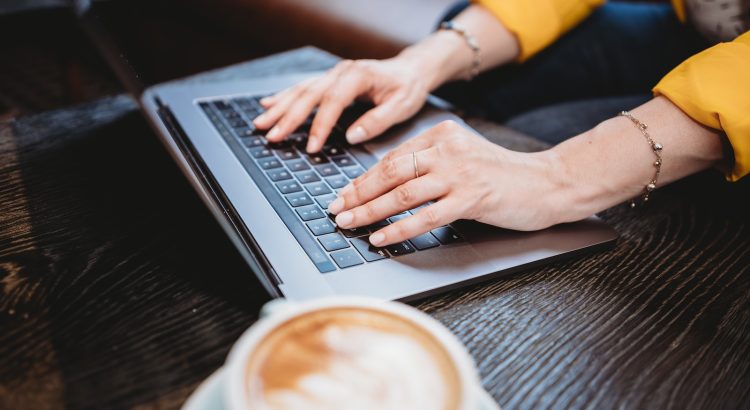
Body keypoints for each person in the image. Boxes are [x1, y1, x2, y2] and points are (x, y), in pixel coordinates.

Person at [252, 0, 749, 248]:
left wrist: (557, 176)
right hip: (692, 29)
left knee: (541, 133)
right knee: (465, 51)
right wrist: (417, 66)